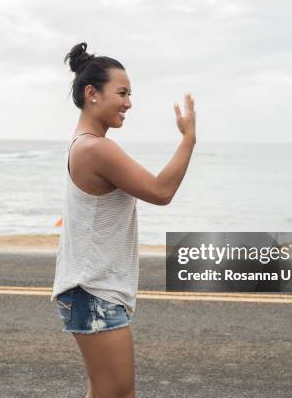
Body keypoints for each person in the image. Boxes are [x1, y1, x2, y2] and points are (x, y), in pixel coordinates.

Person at [51, 42, 196, 398]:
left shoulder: (84, 144)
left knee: (105, 393)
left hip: (91, 290)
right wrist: (189, 139)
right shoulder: (96, 148)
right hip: (94, 291)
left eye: (130, 94)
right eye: (122, 93)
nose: (129, 103)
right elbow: (161, 191)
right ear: (92, 94)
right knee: (118, 394)